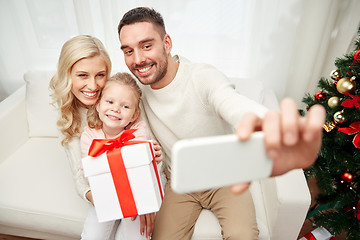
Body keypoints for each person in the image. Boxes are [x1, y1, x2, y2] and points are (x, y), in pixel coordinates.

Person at [117, 7, 326, 240]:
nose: (138, 59)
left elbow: (231, 103)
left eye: (147, 46)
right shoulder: (136, 94)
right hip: (180, 182)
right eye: (128, 51)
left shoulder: (201, 76)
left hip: (225, 176)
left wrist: (269, 124)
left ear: (166, 43)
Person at [49, 35, 160, 240]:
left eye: (100, 75)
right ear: (67, 75)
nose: (93, 86)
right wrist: (101, 198)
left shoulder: (120, 97)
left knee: (134, 233)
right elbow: (79, 173)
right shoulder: (68, 116)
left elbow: (148, 152)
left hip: (136, 184)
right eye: (83, 75)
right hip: (101, 188)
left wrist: (145, 198)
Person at [81, 72, 159, 240]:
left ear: (134, 115)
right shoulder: (90, 135)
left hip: (134, 191)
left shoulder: (137, 132)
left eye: (125, 106)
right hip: (104, 192)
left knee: (136, 234)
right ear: (98, 105)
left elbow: (141, 172)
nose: (115, 109)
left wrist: (151, 157)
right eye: (109, 102)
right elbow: (90, 173)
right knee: (93, 235)